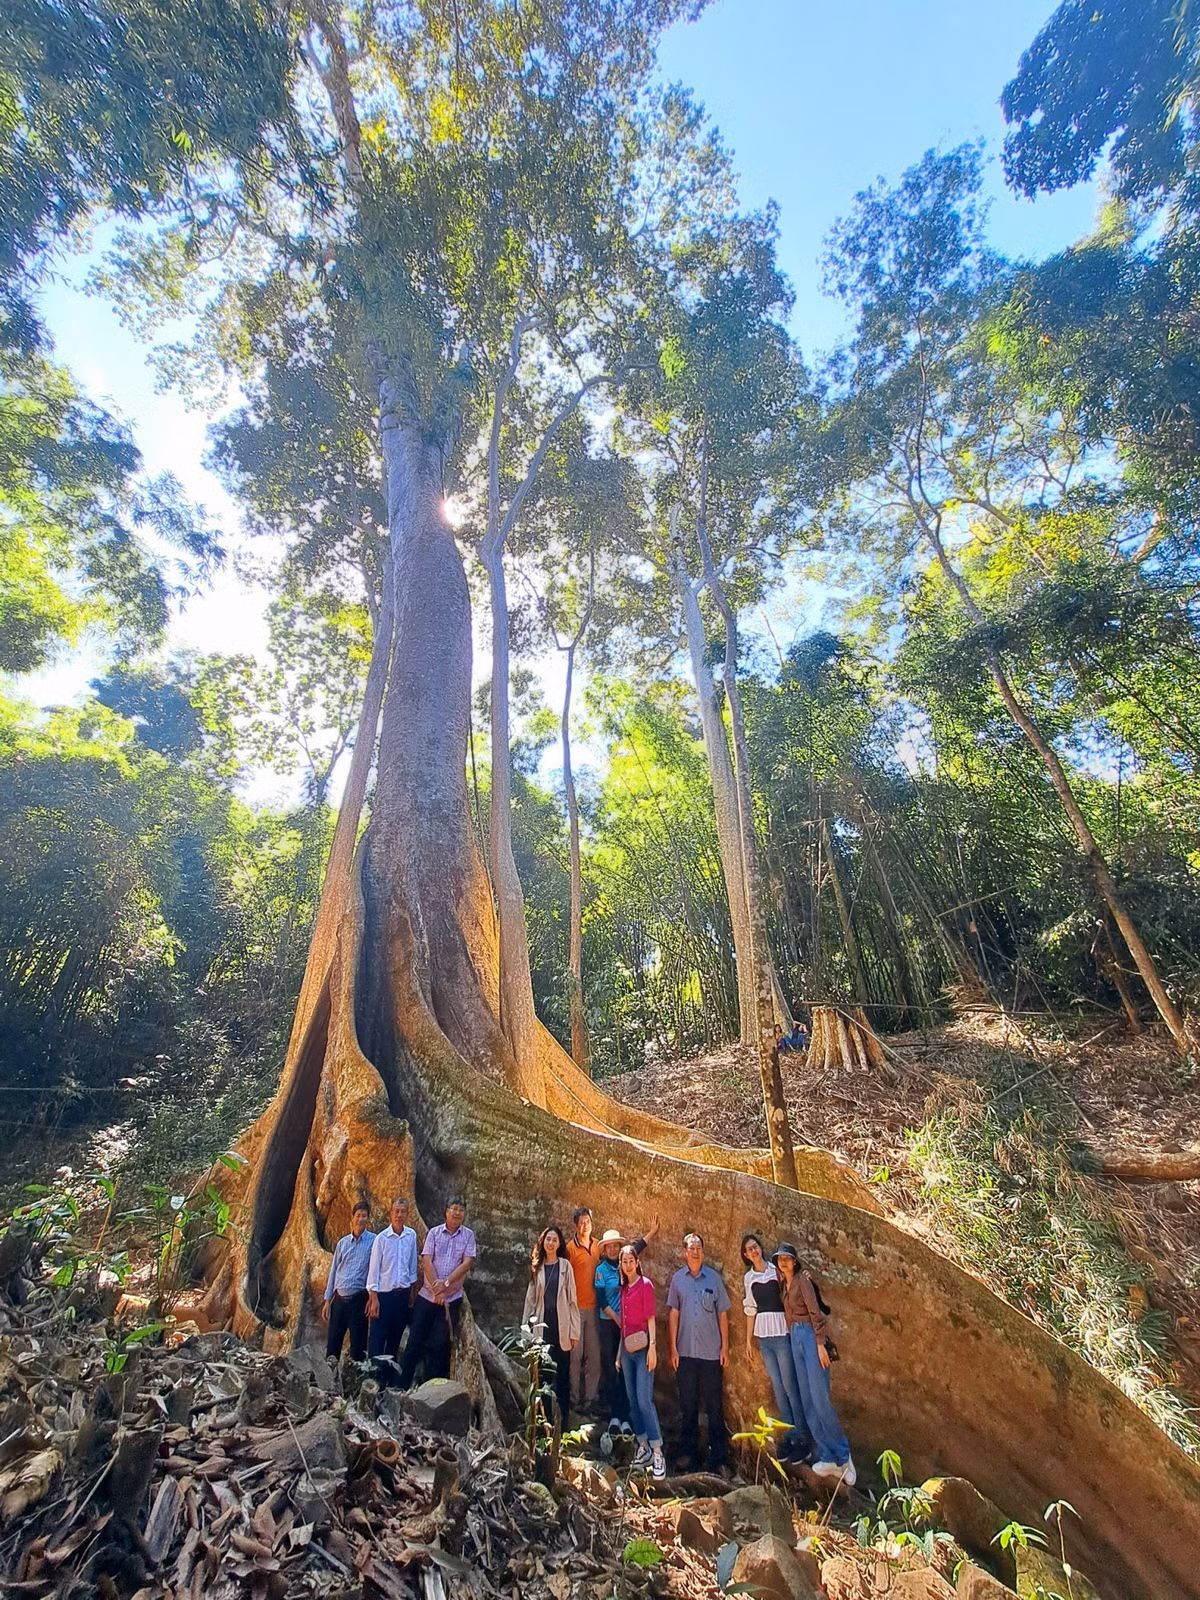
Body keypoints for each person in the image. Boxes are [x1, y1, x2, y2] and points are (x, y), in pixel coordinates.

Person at [774, 1242, 855, 1485]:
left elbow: (816, 1314)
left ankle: (843, 1455)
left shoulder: (802, 1281)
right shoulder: (784, 1286)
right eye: (780, 1259)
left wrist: (820, 1345)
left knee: (820, 1398)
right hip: (795, 1339)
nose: (784, 1262)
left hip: (810, 1337)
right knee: (807, 1401)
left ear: (795, 1261)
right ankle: (827, 1455)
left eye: (788, 1258)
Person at [740, 1233, 812, 1463]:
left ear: (761, 1248)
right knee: (779, 1389)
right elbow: (750, 1309)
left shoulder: (775, 1270)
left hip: (782, 1333)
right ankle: (790, 1437)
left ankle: (802, 1438)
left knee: (791, 1386)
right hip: (764, 1337)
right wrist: (748, 1340)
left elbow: (792, 1285)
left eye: (755, 1247)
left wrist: (806, 1277)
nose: (754, 1251)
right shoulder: (749, 1278)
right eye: (749, 1249)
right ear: (745, 1255)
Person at [667, 1233, 731, 1476]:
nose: (695, 1252)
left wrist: (724, 1347)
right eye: (692, 1248)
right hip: (685, 1354)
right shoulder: (677, 1280)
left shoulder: (713, 1279)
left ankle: (719, 1460)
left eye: (699, 1248)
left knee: (715, 1407)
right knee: (688, 1405)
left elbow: (722, 1314)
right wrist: (673, 1348)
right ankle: (687, 1455)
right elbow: (673, 1314)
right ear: (685, 1252)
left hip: (711, 1355)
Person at [398, 1197, 477, 1388]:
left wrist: (446, 1283)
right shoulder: (434, 1233)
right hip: (427, 1296)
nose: (457, 1213)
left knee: (440, 1346)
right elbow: (426, 1259)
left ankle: (432, 1392)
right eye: (454, 1209)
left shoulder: (468, 1236)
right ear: (446, 1211)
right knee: (415, 1340)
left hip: (452, 1299)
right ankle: (399, 1386)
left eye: (461, 1209)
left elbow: (466, 1263)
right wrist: (436, 1288)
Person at [616, 1244, 666, 1479]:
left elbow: (651, 1318)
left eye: (630, 1261)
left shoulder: (645, 1285)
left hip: (644, 1347)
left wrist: (653, 1348)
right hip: (627, 1350)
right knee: (632, 1399)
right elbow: (623, 1326)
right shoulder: (623, 1289)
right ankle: (643, 1445)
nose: (627, 1265)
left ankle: (657, 1451)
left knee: (645, 1399)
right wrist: (619, 1354)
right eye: (623, 1261)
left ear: (637, 1262)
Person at [523, 1224, 581, 1425]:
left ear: (559, 1244)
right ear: (543, 1242)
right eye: (548, 1239)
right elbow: (530, 1301)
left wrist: (574, 1332)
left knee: (562, 1375)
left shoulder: (565, 1266)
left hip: (561, 1326)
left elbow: (573, 1300)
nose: (551, 1243)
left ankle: (562, 1421)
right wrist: (526, 1330)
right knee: (544, 1374)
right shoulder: (537, 1266)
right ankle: (544, 1421)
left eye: (555, 1239)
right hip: (542, 1326)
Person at [367, 1195, 419, 1382]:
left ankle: (388, 1380)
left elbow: (412, 1264)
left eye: (403, 1212)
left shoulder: (411, 1236)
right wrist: (373, 1298)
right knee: (377, 1338)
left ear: (407, 1214)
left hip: (402, 1295)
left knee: (395, 1338)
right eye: (396, 1211)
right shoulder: (381, 1239)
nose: (399, 1215)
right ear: (391, 1213)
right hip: (383, 1296)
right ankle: (373, 1379)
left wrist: (412, 1292)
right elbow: (374, 1270)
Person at [323, 1199, 375, 1361]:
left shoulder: (374, 1242)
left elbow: (375, 1271)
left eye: (364, 1216)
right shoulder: (342, 1243)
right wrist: (327, 1300)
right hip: (339, 1300)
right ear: (352, 1218)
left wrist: (372, 1297)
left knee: (358, 1347)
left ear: (368, 1219)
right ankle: (328, 1380)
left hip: (359, 1299)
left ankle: (353, 1382)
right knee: (333, 1343)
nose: (360, 1219)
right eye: (358, 1215)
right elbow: (333, 1271)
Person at [565, 1208, 603, 1414]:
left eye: (587, 1221)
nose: (584, 1225)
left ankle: (590, 1398)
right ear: (575, 1225)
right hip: (576, 1309)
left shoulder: (598, 1246)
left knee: (593, 1356)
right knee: (575, 1356)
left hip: (595, 1309)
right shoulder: (570, 1248)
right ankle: (573, 1397)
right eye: (580, 1222)